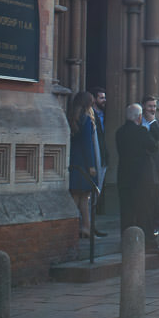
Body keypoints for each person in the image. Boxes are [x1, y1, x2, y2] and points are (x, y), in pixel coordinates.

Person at [115, 98, 159, 252]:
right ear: (139, 117)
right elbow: (153, 145)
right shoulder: (141, 131)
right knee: (145, 210)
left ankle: (126, 243)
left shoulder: (120, 132)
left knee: (127, 211)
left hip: (124, 176)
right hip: (142, 178)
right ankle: (149, 243)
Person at [67, 91, 103, 239]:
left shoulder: (72, 118)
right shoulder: (87, 120)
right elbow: (88, 144)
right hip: (84, 163)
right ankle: (83, 227)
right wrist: (91, 166)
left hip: (74, 161)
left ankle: (82, 227)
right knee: (83, 198)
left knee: (77, 197)